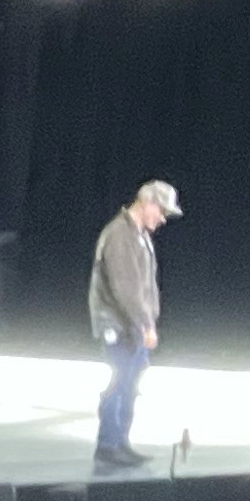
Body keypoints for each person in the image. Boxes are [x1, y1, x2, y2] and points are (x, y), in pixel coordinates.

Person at [87, 177, 176, 468]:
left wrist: (148, 321)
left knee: (129, 382)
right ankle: (108, 443)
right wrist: (145, 324)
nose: (162, 219)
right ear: (147, 202)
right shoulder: (120, 235)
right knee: (119, 381)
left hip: (132, 325)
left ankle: (119, 442)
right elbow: (126, 289)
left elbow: (145, 286)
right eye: (161, 211)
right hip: (119, 325)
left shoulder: (139, 235)